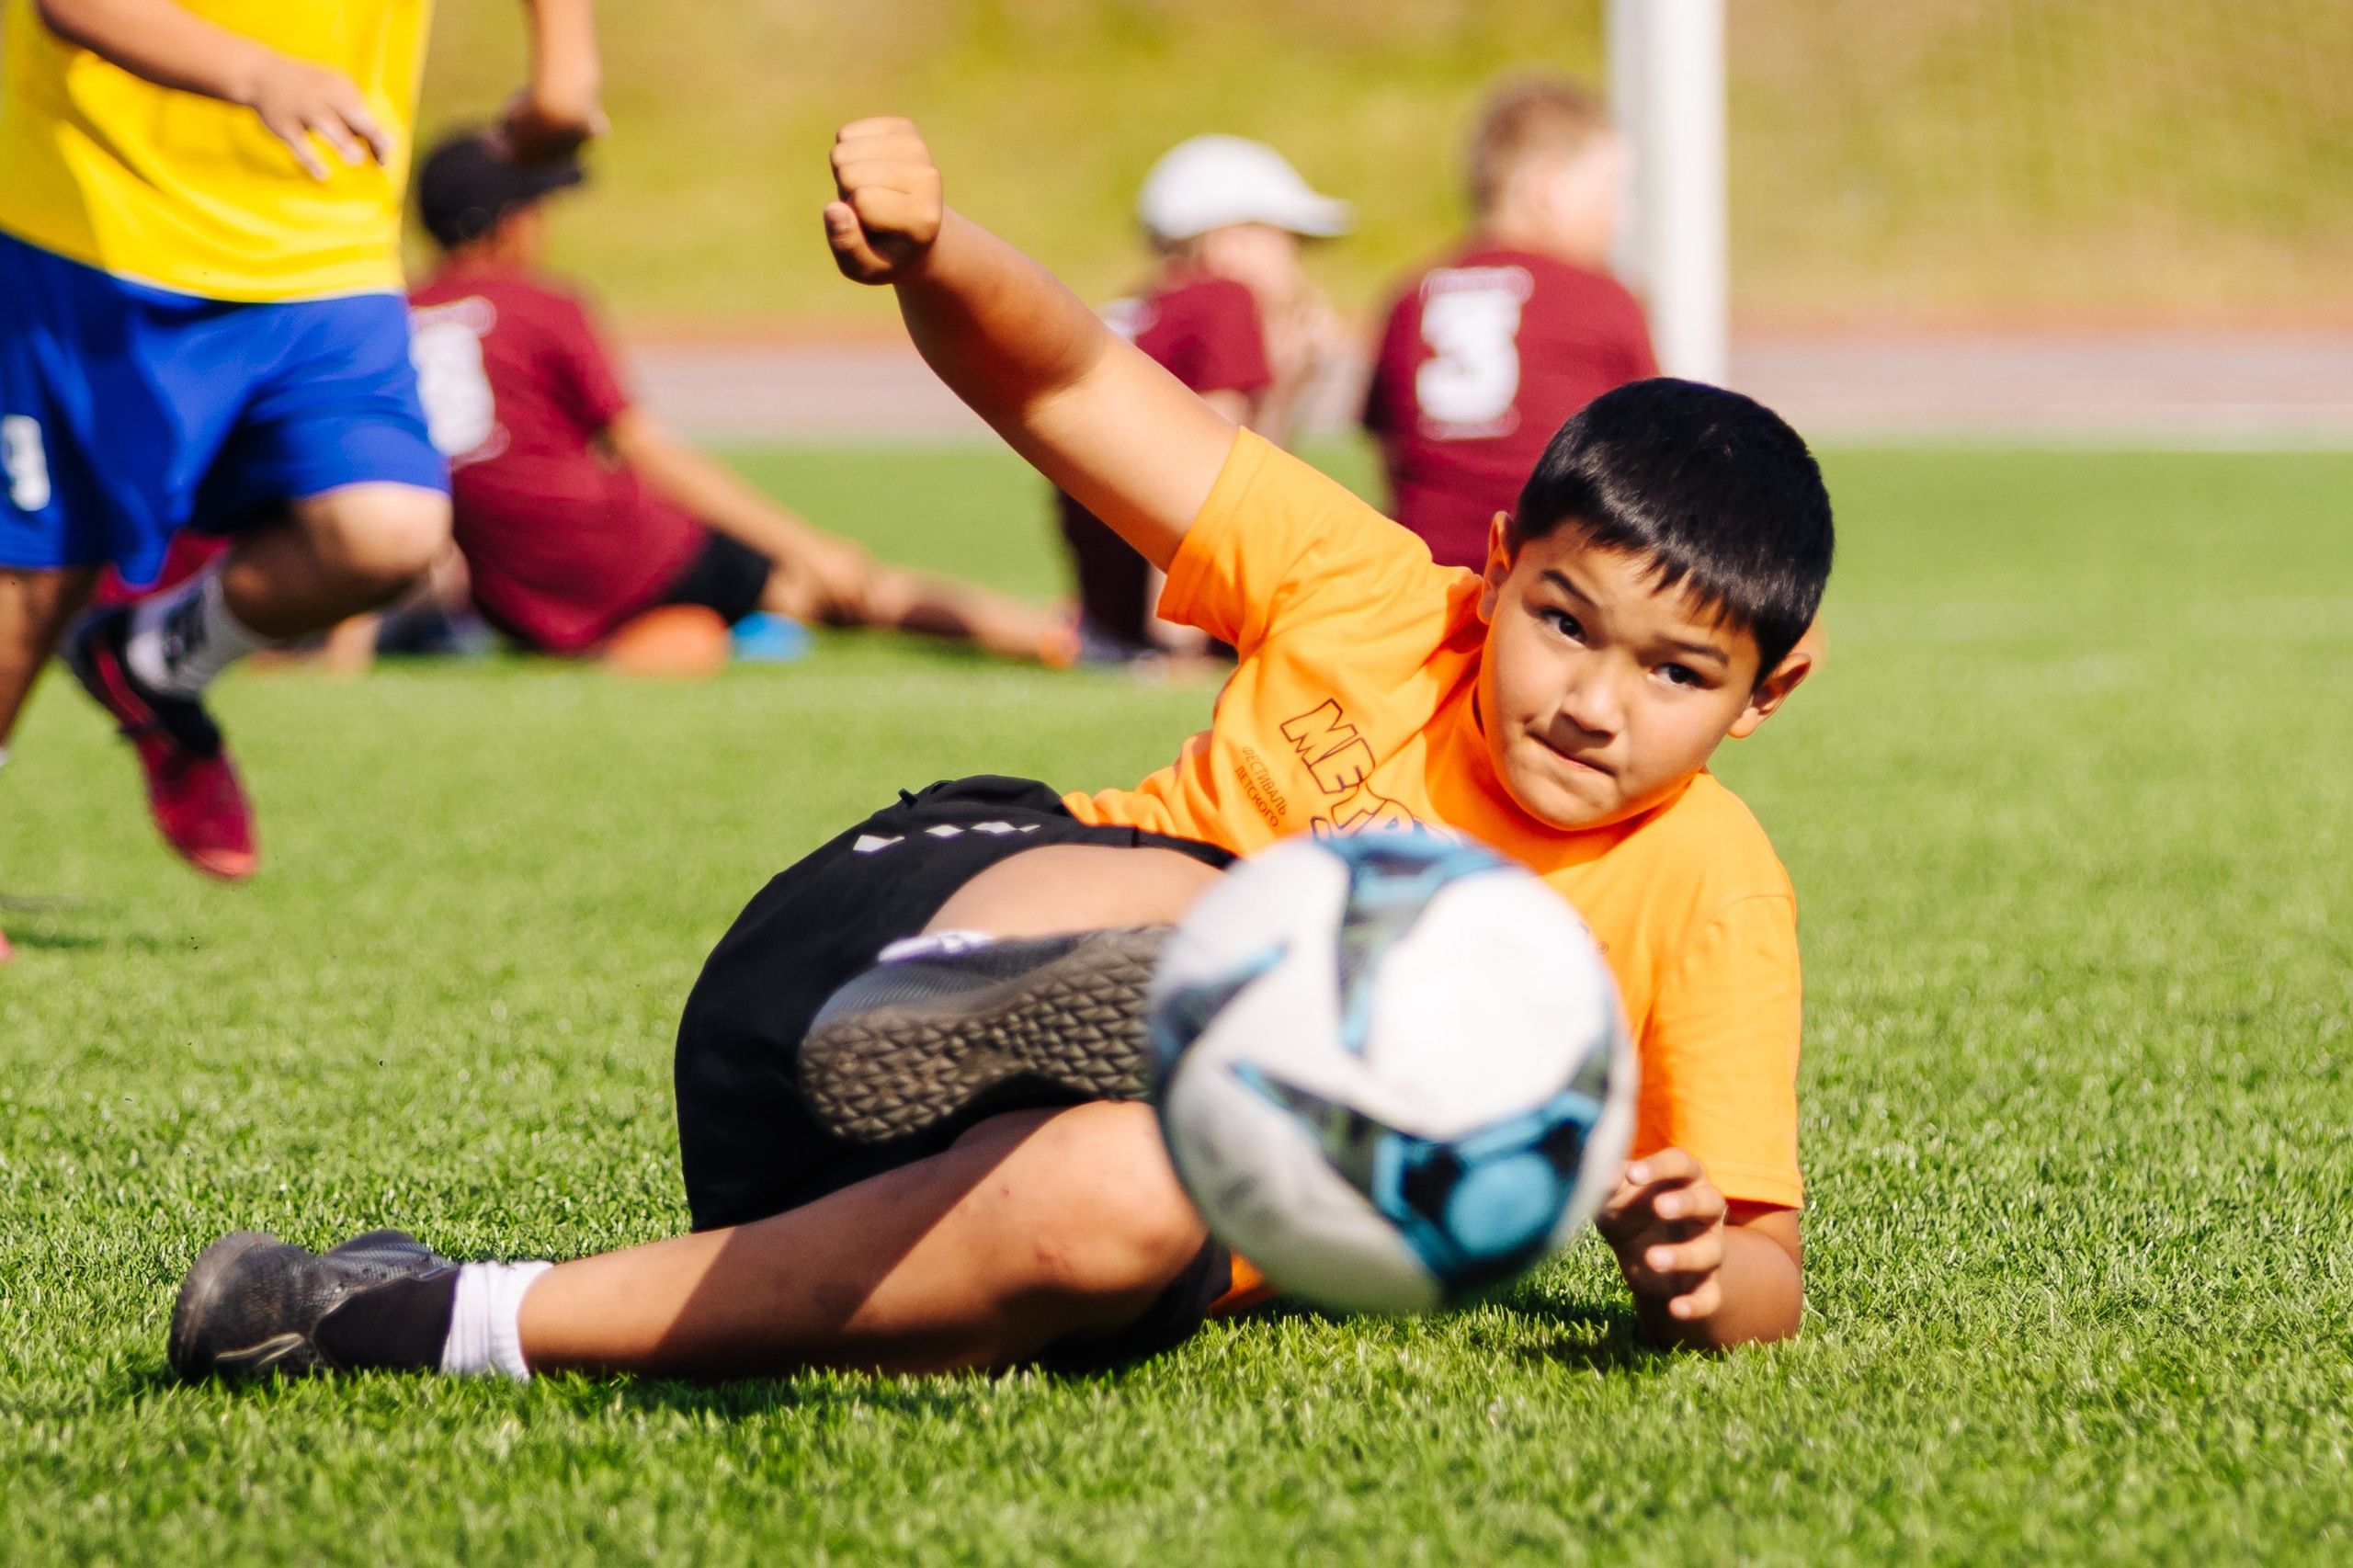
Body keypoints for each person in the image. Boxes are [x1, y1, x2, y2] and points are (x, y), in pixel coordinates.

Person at [165, 117, 1832, 1384]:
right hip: (894, 934)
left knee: (1146, 1199)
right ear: (1496, 568)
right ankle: (1142, 996)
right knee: (1256, 918)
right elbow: (1070, 386)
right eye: (1562, 622)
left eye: (1677, 671)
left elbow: (1767, 1270)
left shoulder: (1706, 883)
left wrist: (1689, 1269)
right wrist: (937, 247)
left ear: (1768, 691)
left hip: (919, 1198)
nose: (1596, 700)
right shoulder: (1372, 597)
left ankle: (417, 1311)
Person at [0, 0, 602, 892]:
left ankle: (151, 662)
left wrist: (566, 68)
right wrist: (259, 73)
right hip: (92, 227)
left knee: (388, 532)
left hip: (324, 244)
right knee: (41, 580)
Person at [406, 131, 1074, 667]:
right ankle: (1061, 637)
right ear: (502, 225)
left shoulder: (393, 319)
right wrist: (808, 545)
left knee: (724, 617)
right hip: (635, 554)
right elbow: (649, 452)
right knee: (853, 591)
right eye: (536, 212)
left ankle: (673, 640)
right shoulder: (544, 305)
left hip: (520, 604)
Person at [1060, 135, 1351, 662]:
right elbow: (1199, 480)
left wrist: (1290, 383)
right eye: (1285, 240)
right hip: (1164, 617)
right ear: (1228, 241)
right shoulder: (1224, 301)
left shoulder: (1151, 307)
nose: (1296, 263)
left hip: (1109, 605)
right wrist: (1176, 646)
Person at [1363, 75, 1658, 572]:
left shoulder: (1409, 296)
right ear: (1548, 189)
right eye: (1610, 188)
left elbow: (1388, 446)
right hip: (1555, 587)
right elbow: (1658, 450)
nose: (1621, 215)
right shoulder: (1602, 295)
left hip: (1430, 582)